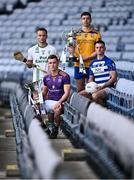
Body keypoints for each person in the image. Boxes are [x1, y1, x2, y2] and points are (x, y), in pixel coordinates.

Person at [69, 11, 102, 92]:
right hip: (78, 65)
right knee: (80, 89)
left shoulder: (96, 34)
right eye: (83, 18)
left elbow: (98, 49)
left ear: (90, 20)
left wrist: (86, 58)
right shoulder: (75, 34)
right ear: (81, 20)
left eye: (87, 18)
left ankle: (92, 104)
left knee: (92, 89)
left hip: (91, 64)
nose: (85, 20)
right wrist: (72, 55)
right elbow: (71, 47)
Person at [79, 40, 117, 106]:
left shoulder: (109, 62)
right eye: (97, 47)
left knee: (95, 96)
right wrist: (90, 86)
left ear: (104, 49)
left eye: (101, 47)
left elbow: (113, 78)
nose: (99, 49)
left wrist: (102, 86)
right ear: (95, 49)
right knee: (80, 95)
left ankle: (105, 109)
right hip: (95, 87)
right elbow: (91, 78)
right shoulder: (92, 63)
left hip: (107, 88)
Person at [42, 54, 71, 138]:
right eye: (50, 63)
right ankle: (47, 127)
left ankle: (55, 129)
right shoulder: (46, 77)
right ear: (48, 64)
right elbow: (44, 92)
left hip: (61, 101)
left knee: (56, 109)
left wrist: (59, 102)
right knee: (34, 108)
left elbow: (67, 93)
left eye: (54, 62)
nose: (52, 65)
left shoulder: (65, 76)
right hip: (49, 101)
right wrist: (37, 98)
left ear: (58, 63)